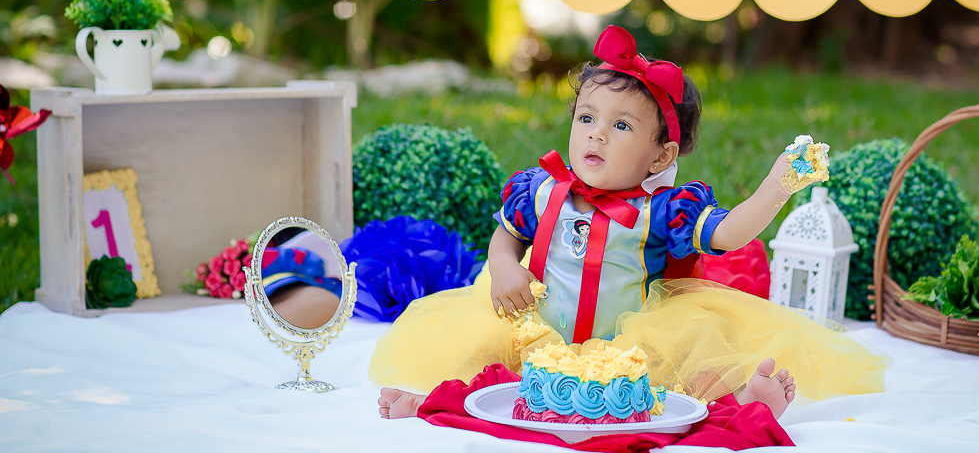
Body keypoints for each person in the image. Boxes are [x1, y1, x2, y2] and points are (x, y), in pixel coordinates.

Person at [373, 25, 886, 421]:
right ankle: (430, 402)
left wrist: (776, 186)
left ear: (660, 156)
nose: (596, 135)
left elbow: (727, 236)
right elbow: (506, 234)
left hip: (630, 347)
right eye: (586, 118)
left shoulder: (663, 210)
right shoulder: (542, 189)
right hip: (534, 335)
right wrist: (504, 266)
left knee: (678, 389)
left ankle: (748, 401)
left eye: (621, 125)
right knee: (488, 374)